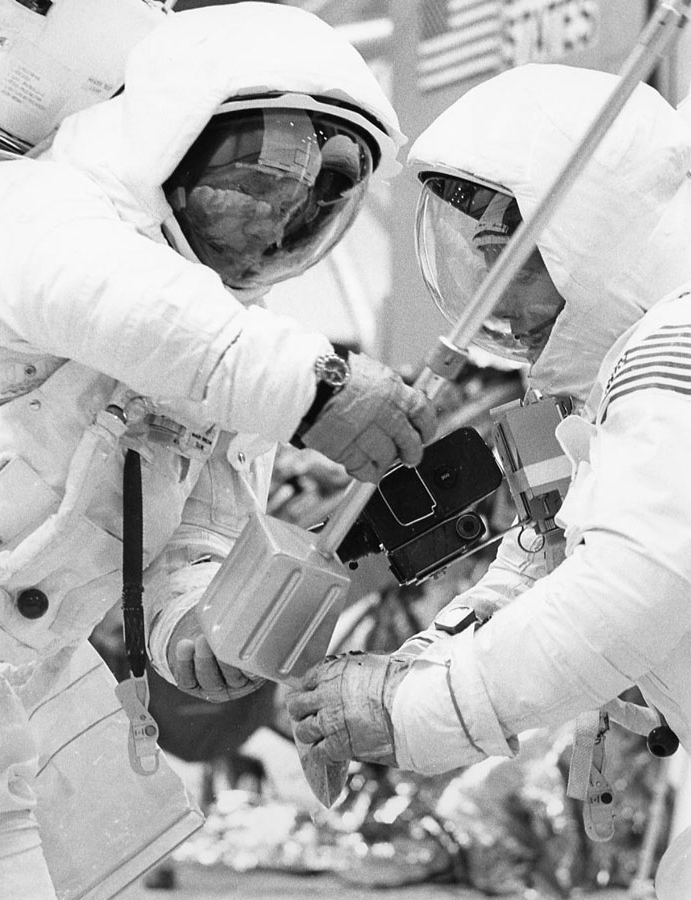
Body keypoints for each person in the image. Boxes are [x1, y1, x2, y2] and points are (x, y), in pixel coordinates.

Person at [0, 3, 436, 898]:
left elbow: (200, 525)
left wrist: (195, 628)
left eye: (310, 204)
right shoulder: (18, 212)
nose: (272, 223)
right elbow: (105, 297)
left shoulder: (224, 354)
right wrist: (314, 390)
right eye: (251, 185)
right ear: (163, 140)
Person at [287, 61, 691, 873]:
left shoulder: (670, 354)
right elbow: (547, 557)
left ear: (595, 234)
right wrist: (408, 670)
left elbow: (635, 582)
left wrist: (418, 711)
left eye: (517, 262)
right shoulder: (615, 379)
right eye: (482, 265)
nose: (498, 300)